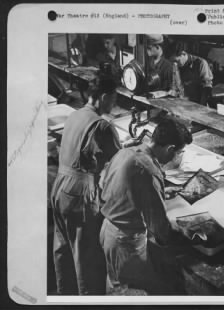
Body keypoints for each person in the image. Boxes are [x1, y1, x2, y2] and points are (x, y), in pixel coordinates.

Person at [99, 118, 193, 294]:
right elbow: (159, 227)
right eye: (180, 153)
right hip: (125, 240)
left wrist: (156, 193)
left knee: (115, 282)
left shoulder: (126, 152)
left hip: (108, 230)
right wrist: (184, 237)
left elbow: (108, 184)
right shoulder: (148, 169)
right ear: (170, 149)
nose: (177, 157)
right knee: (129, 291)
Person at [50, 74, 121, 295]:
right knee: (86, 257)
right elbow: (120, 163)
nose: (114, 104)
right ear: (105, 96)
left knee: (63, 249)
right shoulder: (101, 126)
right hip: (80, 195)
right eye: (114, 98)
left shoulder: (75, 114)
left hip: (60, 187)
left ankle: (64, 294)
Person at [169, 41, 213, 106]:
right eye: (173, 62)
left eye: (177, 61)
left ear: (183, 53)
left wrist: (201, 106)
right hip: (184, 102)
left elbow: (207, 87)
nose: (175, 64)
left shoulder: (201, 63)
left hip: (198, 103)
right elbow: (176, 85)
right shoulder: (178, 66)